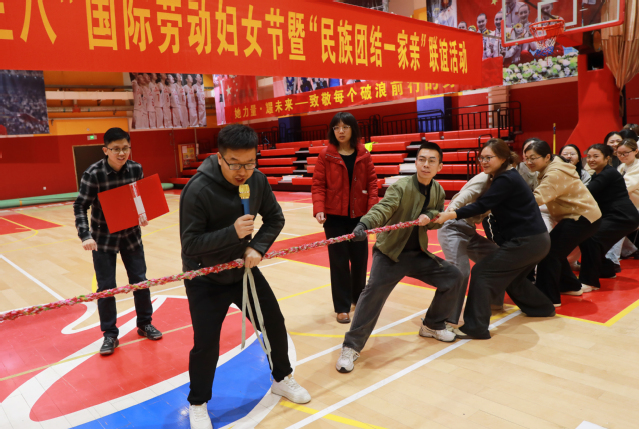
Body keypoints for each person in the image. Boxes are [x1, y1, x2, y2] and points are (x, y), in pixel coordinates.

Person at [179, 124, 311, 429]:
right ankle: (198, 403)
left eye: (250, 163)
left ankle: (282, 378)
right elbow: (190, 244)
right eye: (235, 164)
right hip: (205, 278)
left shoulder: (257, 180)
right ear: (220, 158)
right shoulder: (198, 190)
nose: (243, 172)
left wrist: (257, 246)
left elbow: (275, 218)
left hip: (243, 273)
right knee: (206, 344)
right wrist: (233, 233)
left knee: (273, 322)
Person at [335, 142, 465, 373]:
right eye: (422, 159)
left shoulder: (438, 190)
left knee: (453, 277)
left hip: (417, 254)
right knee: (372, 295)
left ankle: (432, 324)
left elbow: (435, 219)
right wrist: (365, 224)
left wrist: (430, 216)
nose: (426, 164)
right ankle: (351, 347)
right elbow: (384, 208)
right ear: (415, 162)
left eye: (431, 161)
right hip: (390, 254)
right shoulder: (401, 187)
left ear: (440, 166)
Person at [434, 139, 556, 339]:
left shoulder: (506, 179)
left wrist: (451, 214)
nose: (483, 161)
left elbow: (482, 205)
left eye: (488, 157)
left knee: (482, 272)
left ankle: (475, 327)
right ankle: (542, 307)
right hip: (537, 241)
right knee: (513, 278)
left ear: (502, 158)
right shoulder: (505, 176)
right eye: (481, 158)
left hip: (527, 242)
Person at [73, 128, 162, 355]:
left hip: (131, 236)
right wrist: (85, 235)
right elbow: (80, 206)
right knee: (106, 287)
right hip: (103, 239)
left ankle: (144, 324)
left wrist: (143, 214)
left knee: (140, 281)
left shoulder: (136, 168)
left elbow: (138, 198)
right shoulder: (93, 174)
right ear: (106, 150)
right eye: (115, 149)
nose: (121, 153)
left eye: (125, 148)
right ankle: (110, 335)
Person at [311, 112, 378, 324]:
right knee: (339, 263)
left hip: (360, 217)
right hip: (334, 218)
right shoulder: (326, 155)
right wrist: (319, 208)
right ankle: (341, 307)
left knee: (359, 260)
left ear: (353, 129)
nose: (341, 131)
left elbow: (372, 185)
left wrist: (371, 213)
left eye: (345, 127)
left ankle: (358, 299)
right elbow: (318, 184)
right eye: (337, 127)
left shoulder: (364, 154)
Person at [523, 140, 602, 305]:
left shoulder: (555, 173)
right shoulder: (552, 166)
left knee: (548, 252)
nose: (529, 162)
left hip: (581, 217)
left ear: (547, 157)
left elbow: (536, 198)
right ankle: (569, 285)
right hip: (580, 215)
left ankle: (547, 298)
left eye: (533, 158)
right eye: (526, 158)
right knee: (554, 250)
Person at [438, 171, 500, 321]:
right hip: (452, 226)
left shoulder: (505, 180)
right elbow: (465, 195)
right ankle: (445, 320)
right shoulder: (485, 177)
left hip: (469, 231)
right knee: (461, 271)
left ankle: (493, 301)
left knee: (498, 258)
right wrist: (452, 210)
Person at [580, 144, 639, 291]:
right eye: (589, 156)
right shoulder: (598, 174)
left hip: (623, 217)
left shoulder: (608, 173)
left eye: (596, 156)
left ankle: (590, 282)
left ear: (607, 158)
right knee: (591, 239)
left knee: (592, 238)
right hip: (615, 216)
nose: (591, 159)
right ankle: (606, 270)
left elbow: (587, 192)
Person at [604, 139, 639, 267]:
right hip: (627, 206)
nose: (622, 156)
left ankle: (612, 261)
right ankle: (630, 250)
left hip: (635, 208)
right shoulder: (622, 167)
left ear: (636, 151)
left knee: (618, 223)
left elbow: (623, 188)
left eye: (625, 153)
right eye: (619, 153)